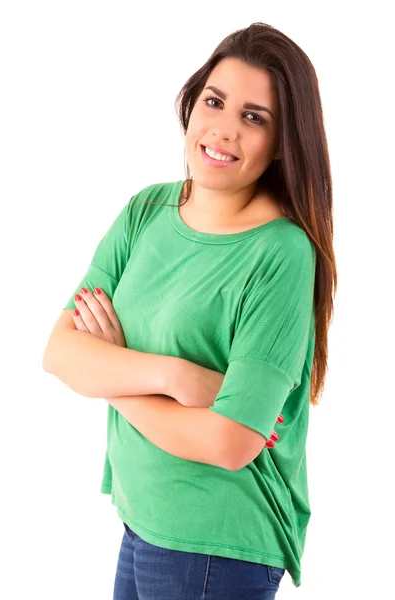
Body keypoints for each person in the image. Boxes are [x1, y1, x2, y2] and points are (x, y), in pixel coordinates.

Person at [43, 21, 336, 599]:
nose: (224, 130)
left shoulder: (280, 253)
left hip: (213, 545)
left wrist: (113, 374)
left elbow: (231, 442)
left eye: (255, 118)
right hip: (142, 518)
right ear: (191, 103)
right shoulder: (146, 211)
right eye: (215, 101)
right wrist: (174, 377)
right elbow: (60, 351)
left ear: (284, 141)